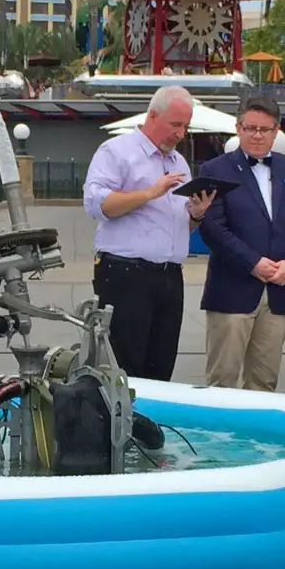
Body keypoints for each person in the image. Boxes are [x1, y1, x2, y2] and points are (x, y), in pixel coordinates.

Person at [82, 85, 216, 381]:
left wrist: (197, 213)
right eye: (175, 125)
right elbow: (97, 205)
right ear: (153, 116)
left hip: (169, 276)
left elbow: (181, 224)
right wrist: (149, 193)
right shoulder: (117, 152)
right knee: (126, 368)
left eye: (186, 126)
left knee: (161, 364)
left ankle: (147, 426)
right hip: (126, 274)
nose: (181, 133)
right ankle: (121, 426)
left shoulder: (178, 162)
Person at [196, 94, 285, 391]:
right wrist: (253, 263)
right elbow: (213, 228)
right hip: (232, 290)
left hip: (279, 289)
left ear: (277, 131)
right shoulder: (214, 170)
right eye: (250, 128)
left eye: (265, 129)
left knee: (264, 383)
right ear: (238, 128)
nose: (257, 135)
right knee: (222, 381)